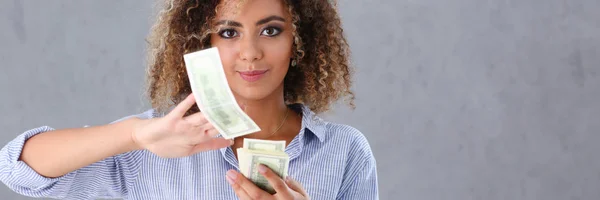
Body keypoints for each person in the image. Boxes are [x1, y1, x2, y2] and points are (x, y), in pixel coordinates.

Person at [0, 0, 378, 199]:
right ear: (204, 42)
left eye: (271, 30)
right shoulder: (156, 141)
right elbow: (16, 169)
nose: (249, 52)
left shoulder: (345, 152)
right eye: (229, 32)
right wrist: (136, 135)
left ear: (299, 41)